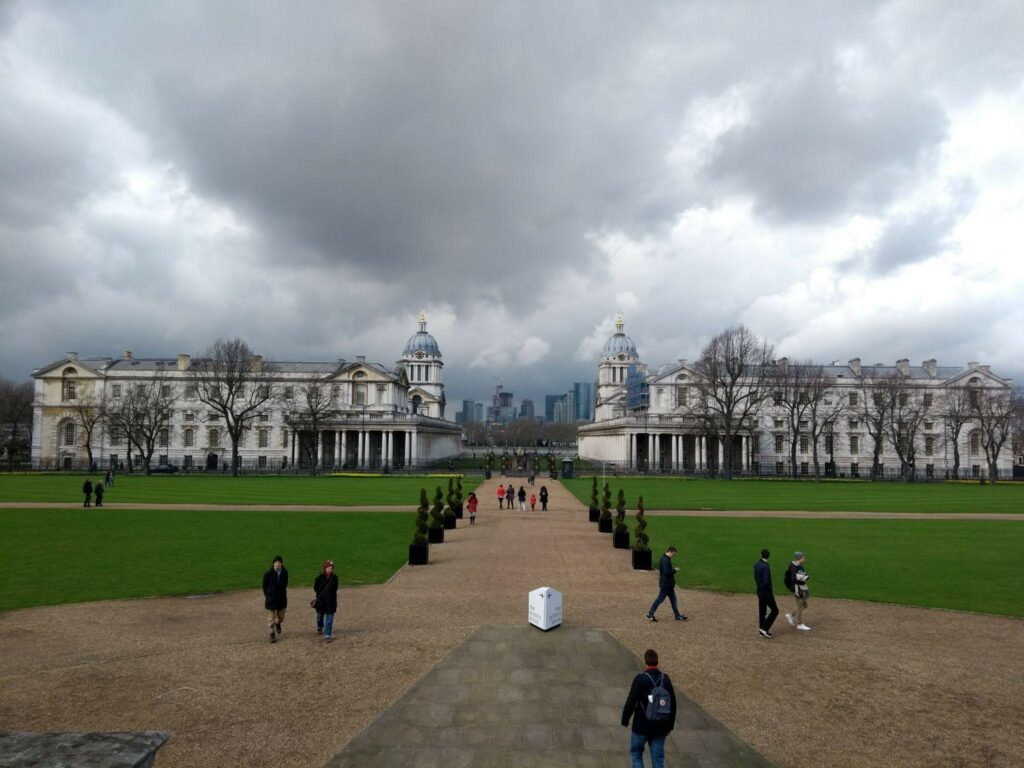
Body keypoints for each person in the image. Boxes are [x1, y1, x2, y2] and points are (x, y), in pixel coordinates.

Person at [621, 648, 677, 768]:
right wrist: (670, 726)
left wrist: (625, 720)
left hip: (641, 725)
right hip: (660, 726)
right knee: (658, 760)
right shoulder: (665, 679)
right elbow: (673, 704)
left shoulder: (640, 679)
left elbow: (631, 701)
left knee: (636, 754)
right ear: (657, 662)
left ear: (645, 662)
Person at [646, 546, 686, 622]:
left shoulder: (665, 559)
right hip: (666, 585)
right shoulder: (665, 560)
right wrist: (674, 570)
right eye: (673, 554)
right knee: (660, 599)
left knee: (673, 600)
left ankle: (677, 616)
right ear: (670, 552)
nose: (673, 556)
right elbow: (667, 572)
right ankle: (650, 614)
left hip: (668, 585)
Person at [262, 555, 288, 643]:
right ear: (273, 564)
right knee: (271, 618)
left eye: (279, 563)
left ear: (281, 564)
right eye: (276, 563)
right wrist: (268, 595)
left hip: (281, 599)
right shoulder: (267, 575)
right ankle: (272, 633)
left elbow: (285, 585)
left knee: (281, 617)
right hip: (271, 599)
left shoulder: (285, 573)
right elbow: (264, 587)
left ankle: (278, 623)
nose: (277, 565)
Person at [754, 548, 779, 638]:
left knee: (762, 611)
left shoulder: (757, 565)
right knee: (775, 611)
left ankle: (761, 629)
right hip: (766, 592)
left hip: (759, 591)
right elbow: (766, 581)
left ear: (761, 555)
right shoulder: (766, 567)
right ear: (768, 556)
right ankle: (764, 628)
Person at [313, 560, 339, 642]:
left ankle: (327, 634)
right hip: (321, 601)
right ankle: (320, 626)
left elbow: (335, 589)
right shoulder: (319, 578)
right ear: (324, 568)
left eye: (331, 568)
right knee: (319, 617)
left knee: (329, 619)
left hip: (331, 601)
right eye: (328, 567)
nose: (330, 569)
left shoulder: (335, 578)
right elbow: (315, 588)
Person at [785, 552, 812, 631]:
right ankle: (800, 624)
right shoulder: (794, 567)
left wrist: (804, 577)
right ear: (799, 558)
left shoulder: (799, 566)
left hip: (801, 588)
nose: (805, 559)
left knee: (804, 605)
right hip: (797, 589)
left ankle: (790, 615)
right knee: (800, 605)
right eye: (803, 558)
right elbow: (794, 578)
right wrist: (804, 578)